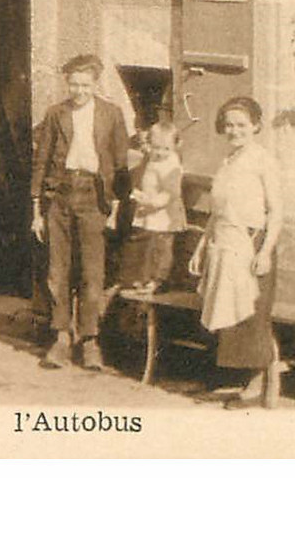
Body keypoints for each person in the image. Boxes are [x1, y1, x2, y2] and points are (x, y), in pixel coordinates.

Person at [31, 54, 131, 370]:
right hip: (60, 196)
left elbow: (120, 163)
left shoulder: (111, 115)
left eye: (85, 85)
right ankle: (61, 337)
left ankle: (89, 340)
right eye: (73, 84)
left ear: (95, 83)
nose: (79, 91)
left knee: (92, 272)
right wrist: (37, 209)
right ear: (67, 83)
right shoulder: (55, 114)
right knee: (57, 270)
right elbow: (42, 161)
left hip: (94, 198)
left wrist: (116, 206)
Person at [190, 96, 285, 409]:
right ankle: (238, 381)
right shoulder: (227, 161)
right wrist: (201, 248)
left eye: (241, 125)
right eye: (229, 125)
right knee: (227, 311)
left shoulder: (263, 160)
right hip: (224, 244)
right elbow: (218, 213)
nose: (235, 130)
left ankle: (257, 386)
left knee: (251, 315)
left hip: (250, 246)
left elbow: (276, 211)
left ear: (255, 125)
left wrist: (266, 251)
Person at [120, 120, 186, 294]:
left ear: (176, 146)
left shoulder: (172, 165)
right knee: (146, 245)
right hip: (149, 209)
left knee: (161, 247)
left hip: (164, 212)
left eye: (166, 149)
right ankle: (143, 277)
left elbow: (172, 192)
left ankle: (158, 279)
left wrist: (153, 202)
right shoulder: (151, 157)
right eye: (156, 147)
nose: (160, 153)